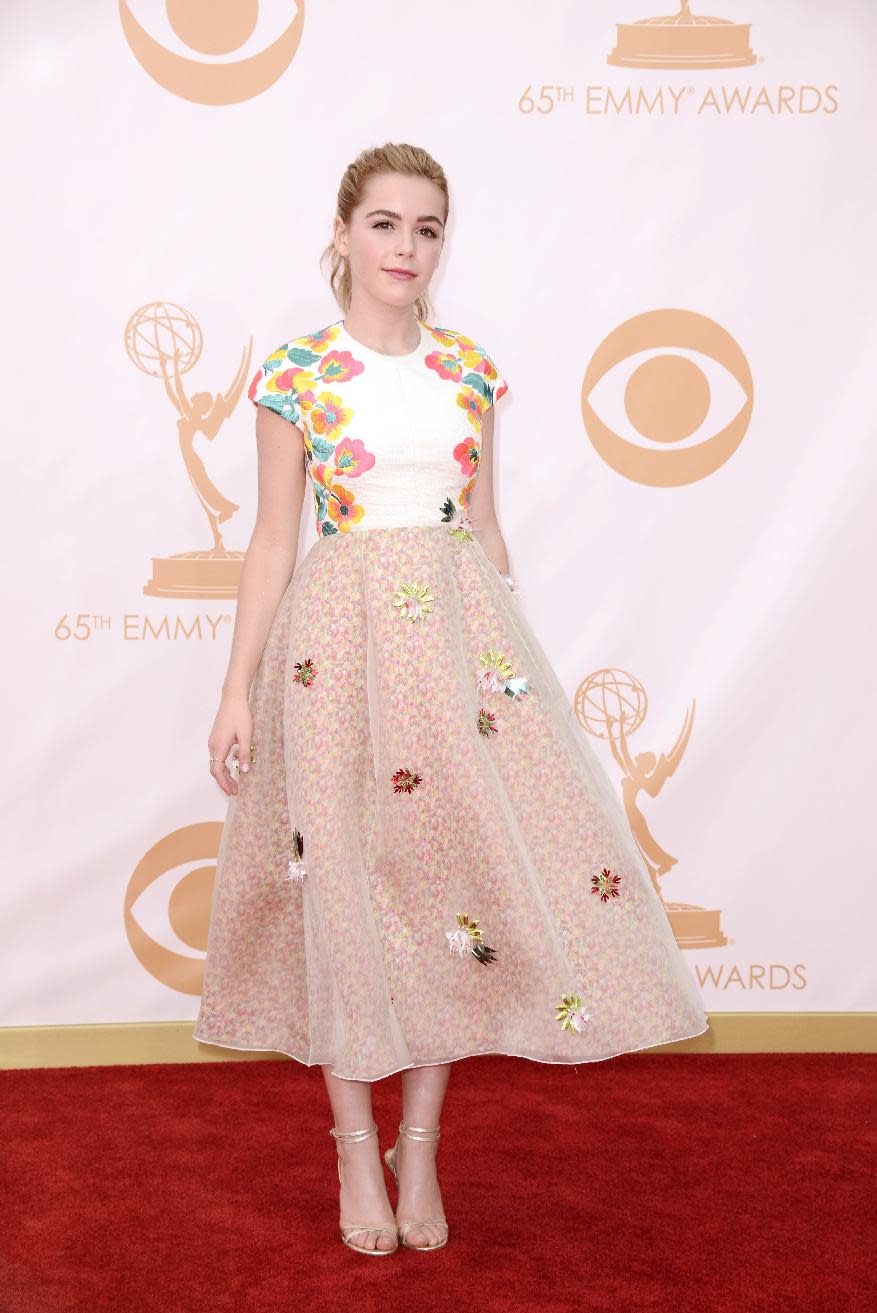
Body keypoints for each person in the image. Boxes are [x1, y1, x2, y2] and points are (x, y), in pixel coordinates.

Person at [193, 142, 709, 1257]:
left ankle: (417, 1142)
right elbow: (274, 538)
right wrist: (236, 690)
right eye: (384, 223)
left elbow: (481, 530)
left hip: (459, 648)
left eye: (427, 228)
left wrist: (511, 667)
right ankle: (349, 1144)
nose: (406, 246)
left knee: (446, 891)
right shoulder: (296, 374)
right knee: (341, 891)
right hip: (335, 650)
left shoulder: (468, 367)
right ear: (342, 234)